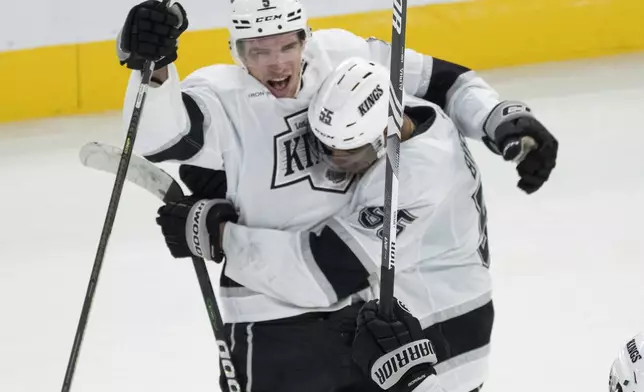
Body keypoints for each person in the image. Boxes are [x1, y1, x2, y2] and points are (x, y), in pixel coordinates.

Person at [117, 0, 558, 389]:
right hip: (277, 321)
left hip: (370, 311)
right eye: (258, 51)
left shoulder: (349, 59)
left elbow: (444, 80)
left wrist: (219, 236)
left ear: (306, 37)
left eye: (288, 45)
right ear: (235, 50)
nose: (276, 64)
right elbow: (163, 138)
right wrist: (152, 70)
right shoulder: (221, 94)